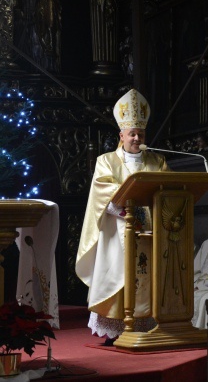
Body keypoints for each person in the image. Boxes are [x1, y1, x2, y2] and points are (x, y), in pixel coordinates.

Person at [75, 89, 168, 344]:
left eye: (141, 134)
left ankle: (144, 324)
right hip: (118, 231)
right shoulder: (106, 161)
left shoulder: (157, 161)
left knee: (147, 276)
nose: (137, 138)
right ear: (122, 135)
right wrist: (130, 210)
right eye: (132, 134)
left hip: (150, 232)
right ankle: (115, 328)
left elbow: (166, 189)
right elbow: (103, 191)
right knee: (118, 275)